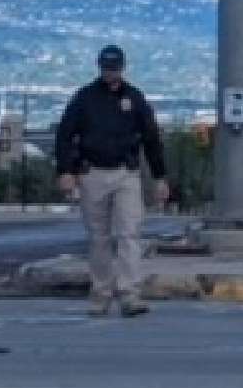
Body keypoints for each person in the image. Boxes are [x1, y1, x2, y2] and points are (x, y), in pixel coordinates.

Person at [56, 45, 168, 317]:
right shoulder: (85, 98)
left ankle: (130, 294)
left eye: (114, 68)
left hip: (125, 173)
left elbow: (151, 138)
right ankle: (101, 294)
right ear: (100, 68)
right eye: (107, 68)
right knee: (99, 238)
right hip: (92, 173)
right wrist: (65, 171)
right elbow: (65, 135)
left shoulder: (134, 98)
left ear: (122, 68)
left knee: (129, 233)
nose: (111, 73)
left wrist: (160, 176)